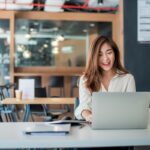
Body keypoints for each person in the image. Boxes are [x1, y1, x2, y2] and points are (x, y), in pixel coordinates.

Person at [75, 35, 136, 122]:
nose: (105, 58)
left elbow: (132, 108)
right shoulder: (85, 79)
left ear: (115, 53)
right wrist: (88, 115)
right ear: (94, 57)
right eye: (99, 54)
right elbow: (84, 106)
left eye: (109, 52)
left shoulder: (128, 79)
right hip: (95, 126)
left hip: (121, 125)